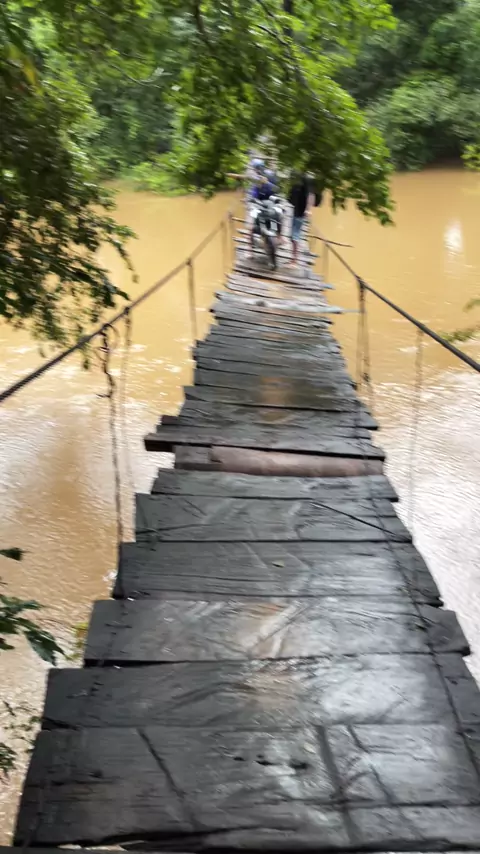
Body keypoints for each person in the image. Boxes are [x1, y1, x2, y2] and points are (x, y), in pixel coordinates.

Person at [288, 172, 321, 265]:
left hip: (300, 213)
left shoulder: (304, 184)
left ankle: (294, 260)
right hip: (297, 212)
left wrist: (308, 210)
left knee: (295, 236)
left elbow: (311, 196)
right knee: (293, 236)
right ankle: (294, 258)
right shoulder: (303, 185)